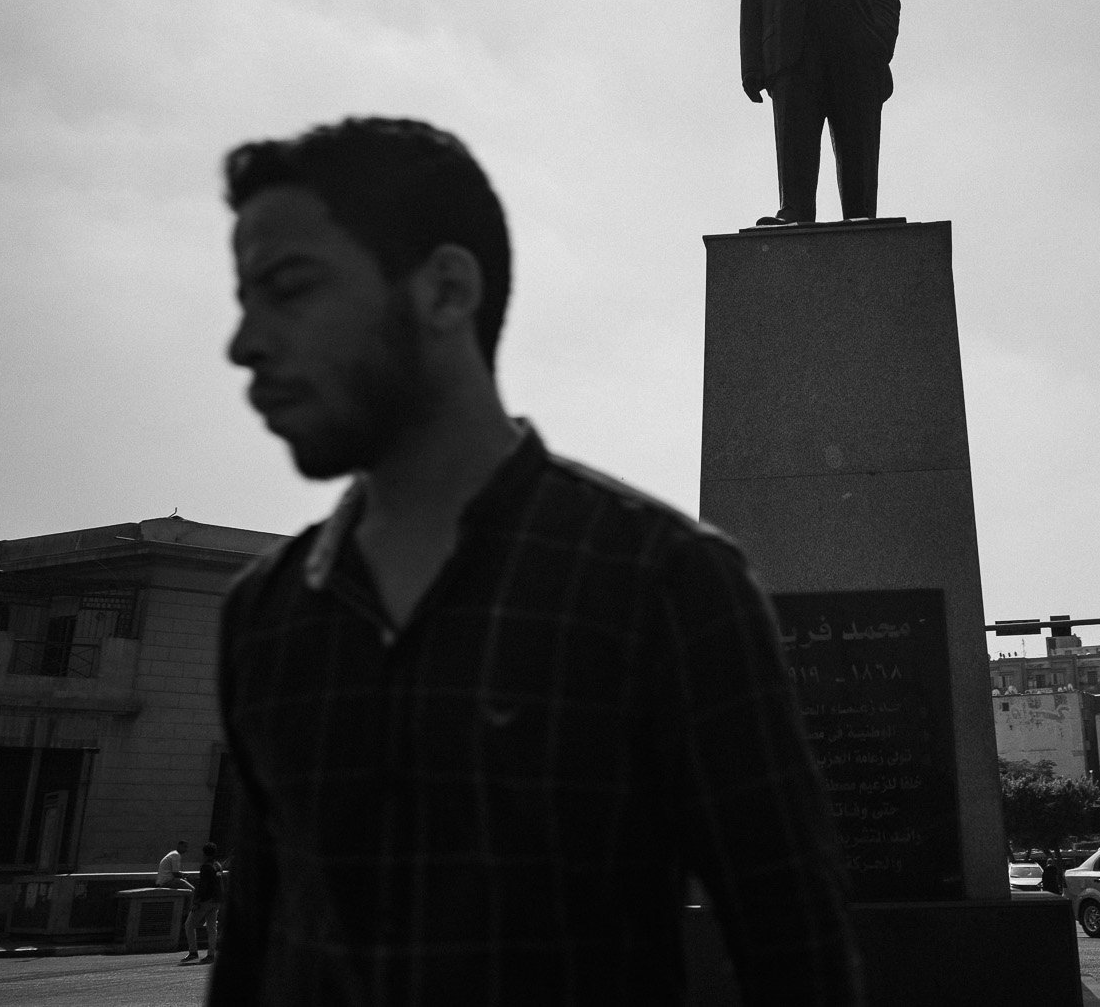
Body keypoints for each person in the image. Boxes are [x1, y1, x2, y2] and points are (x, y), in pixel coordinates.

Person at [210, 118, 859, 1005]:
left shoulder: (664, 582)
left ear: (445, 290)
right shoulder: (265, 611)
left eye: (287, 289)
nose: (244, 342)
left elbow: (800, 960)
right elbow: (251, 952)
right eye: (244, 299)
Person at [740, 0, 901, 224]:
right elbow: (752, 14)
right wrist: (751, 68)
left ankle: (860, 214)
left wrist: (877, 44)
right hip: (792, 61)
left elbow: (886, 0)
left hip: (855, 57)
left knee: (857, 143)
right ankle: (793, 210)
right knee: (795, 143)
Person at [182, 843, 225, 965]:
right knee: (212, 928)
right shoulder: (217, 865)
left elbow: (203, 886)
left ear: (204, 853)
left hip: (206, 900)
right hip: (216, 900)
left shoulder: (206, 867)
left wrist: (197, 901)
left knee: (189, 925)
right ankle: (211, 954)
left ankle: (193, 952)